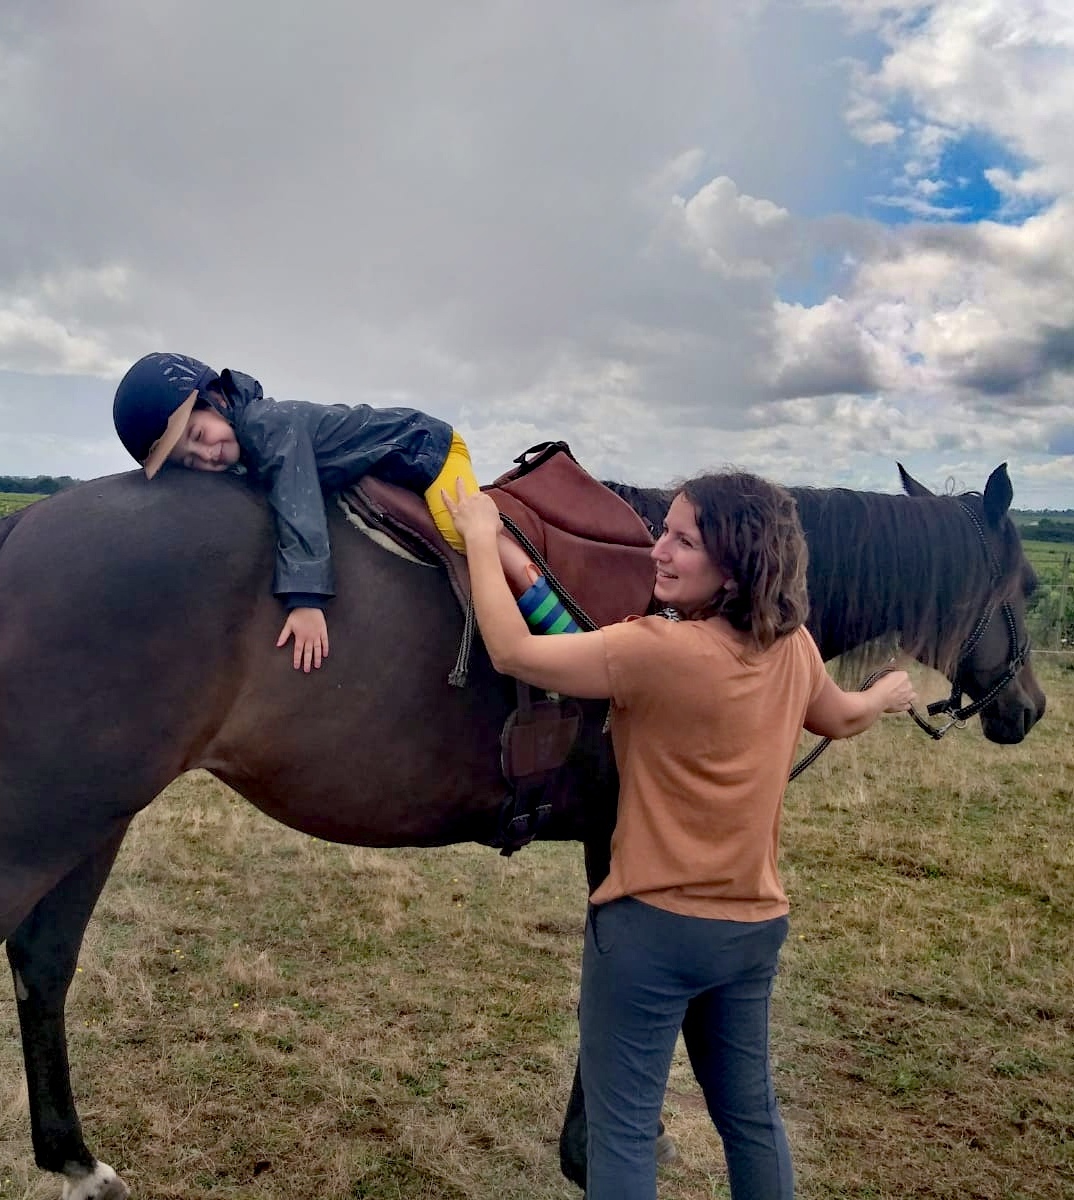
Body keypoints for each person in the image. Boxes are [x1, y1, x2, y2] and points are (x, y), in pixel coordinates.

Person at [443, 470, 916, 1200]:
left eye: (682, 539)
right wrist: (887, 693)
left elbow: (512, 650)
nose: (657, 549)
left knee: (625, 1132)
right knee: (752, 1121)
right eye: (664, 529)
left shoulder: (654, 652)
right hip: (751, 931)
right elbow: (843, 717)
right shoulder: (791, 650)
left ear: (733, 565)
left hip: (650, 938)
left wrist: (480, 536)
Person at [112, 352, 574, 672]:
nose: (206, 456)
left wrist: (307, 600)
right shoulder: (248, 440)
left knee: (466, 533)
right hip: (392, 461)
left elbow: (298, 502)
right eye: (190, 461)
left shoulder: (265, 426)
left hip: (426, 450)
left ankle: (559, 620)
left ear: (216, 400)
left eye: (197, 437)